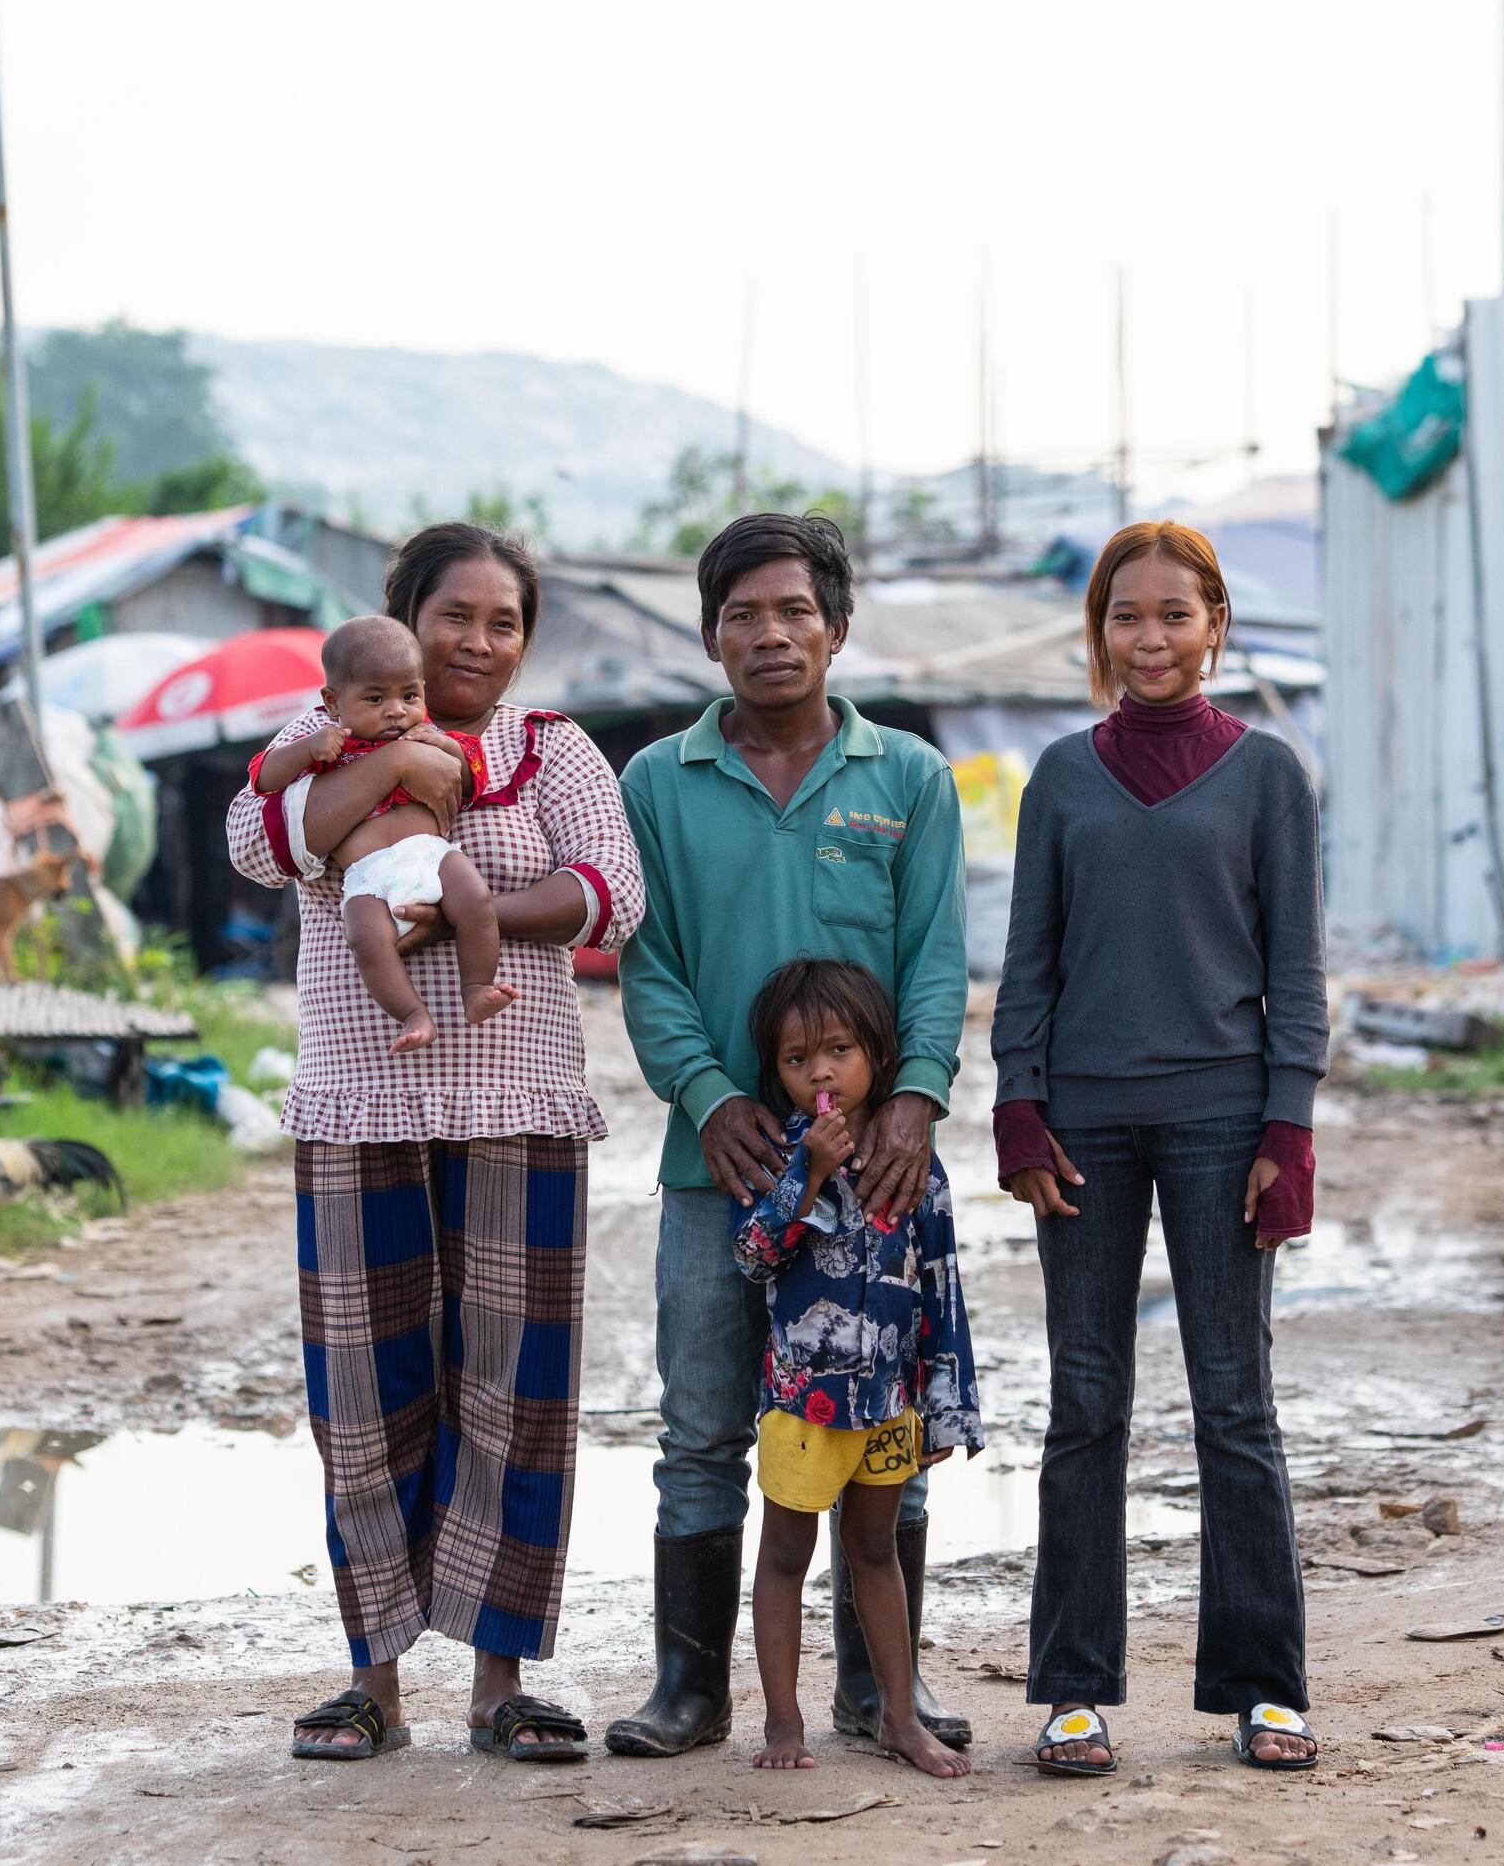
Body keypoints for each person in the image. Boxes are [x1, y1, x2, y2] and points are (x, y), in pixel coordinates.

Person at [226, 522, 646, 1764]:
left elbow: (611, 891)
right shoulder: (319, 737)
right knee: (364, 1388)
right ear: (401, 617)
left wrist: (440, 926)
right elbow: (270, 846)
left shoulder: (553, 750)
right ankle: (375, 1683)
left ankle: (499, 1683)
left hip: (519, 1095)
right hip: (361, 1098)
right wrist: (391, 753)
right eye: (453, 616)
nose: (477, 642)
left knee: (514, 1390)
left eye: (503, 622)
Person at [609, 511, 971, 1760]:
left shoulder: (908, 778)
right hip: (721, 1169)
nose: (770, 634)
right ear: (710, 637)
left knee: (886, 1436)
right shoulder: (656, 783)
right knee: (703, 1425)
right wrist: (711, 1099)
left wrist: (913, 1099)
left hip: (878, 1182)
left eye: (794, 611)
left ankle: (882, 1691)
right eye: (743, 614)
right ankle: (691, 1691)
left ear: (838, 626)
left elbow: (935, 960)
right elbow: (647, 969)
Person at [990, 520, 1328, 1779]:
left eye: (1173, 614)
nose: (1150, 639)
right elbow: (1028, 959)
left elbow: (1296, 969)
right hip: (1081, 1126)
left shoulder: (1268, 777)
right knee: (1087, 1403)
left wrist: (1287, 1126)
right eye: (1126, 616)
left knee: (1235, 1405)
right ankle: (1075, 1689)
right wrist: (1017, 1102)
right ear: (1100, 633)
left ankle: (1264, 1687)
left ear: (1216, 624)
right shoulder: (1063, 777)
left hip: (1222, 1120)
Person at [732, 958, 981, 1779]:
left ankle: (898, 1718)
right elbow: (755, 1256)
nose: (820, 1073)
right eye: (798, 1060)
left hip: (888, 1401)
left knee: (875, 1552)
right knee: (783, 1557)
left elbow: (943, 1287)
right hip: (804, 1403)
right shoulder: (781, 1155)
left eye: (838, 1050)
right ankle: (783, 1724)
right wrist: (808, 1177)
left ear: (877, 1052)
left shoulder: (914, 1164)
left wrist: (947, 1404)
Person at [249, 613, 513, 1052]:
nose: (396, 710)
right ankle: (413, 1014)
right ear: (333, 702)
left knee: (477, 900)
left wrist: (445, 747)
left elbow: (472, 774)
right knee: (366, 940)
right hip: (367, 875)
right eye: (374, 699)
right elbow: (262, 777)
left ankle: (477, 988)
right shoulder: (331, 746)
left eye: (409, 695)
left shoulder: (429, 737)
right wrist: (308, 750)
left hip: (432, 854)